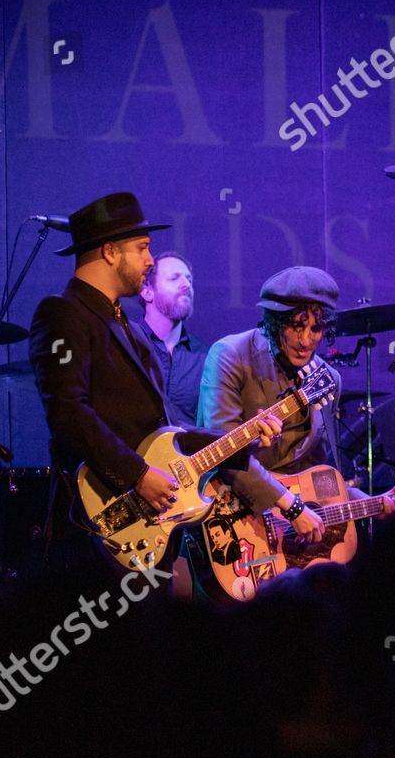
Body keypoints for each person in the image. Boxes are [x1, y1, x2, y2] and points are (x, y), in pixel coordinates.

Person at [27, 192, 280, 573]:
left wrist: (245, 438)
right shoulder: (63, 314)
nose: (150, 260)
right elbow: (67, 411)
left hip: (150, 529)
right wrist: (138, 474)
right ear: (110, 252)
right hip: (101, 530)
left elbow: (166, 433)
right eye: (142, 248)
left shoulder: (127, 327)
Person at [198, 266, 395, 558]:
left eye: (316, 328)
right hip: (233, 520)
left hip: (288, 539)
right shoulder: (231, 355)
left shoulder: (328, 379)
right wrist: (290, 506)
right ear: (275, 321)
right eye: (297, 325)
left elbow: (320, 478)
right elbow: (223, 453)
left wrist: (372, 502)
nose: (306, 340)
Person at [136, 250, 207, 427]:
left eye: (189, 280)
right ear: (147, 292)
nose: (186, 285)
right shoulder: (126, 344)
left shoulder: (205, 358)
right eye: (174, 278)